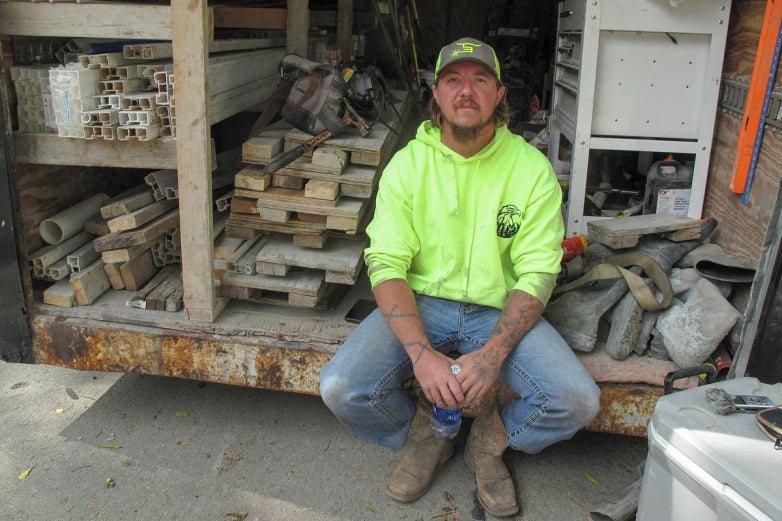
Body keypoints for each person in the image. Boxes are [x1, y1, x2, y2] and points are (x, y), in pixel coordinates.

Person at [319, 37, 600, 517]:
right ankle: (427, 433)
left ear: (498, 96)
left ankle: (488, 443)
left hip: (499, 305)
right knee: (341, 387)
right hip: (424, 300)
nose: (465, 91)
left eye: (479, 80)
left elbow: (538, 270)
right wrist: (422, 356)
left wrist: (492, 355)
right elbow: (385, 263)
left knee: (576, 400)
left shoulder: (531, 170)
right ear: (436, 94)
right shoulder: (408, 165)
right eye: (453, 79)